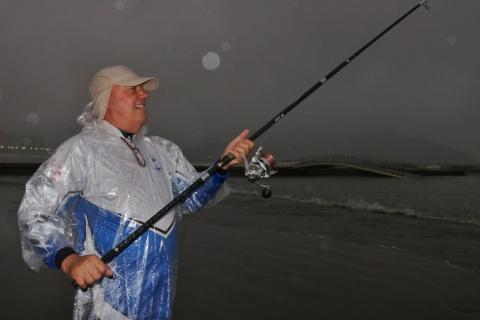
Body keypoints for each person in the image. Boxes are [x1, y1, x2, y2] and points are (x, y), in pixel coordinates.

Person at [17, 65, 254, 320]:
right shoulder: (80, 150)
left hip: (160, 304)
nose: (144, 95)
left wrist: (221, 167)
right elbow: (35, 211)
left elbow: (194, 198)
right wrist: (69, 260)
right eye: (133, 90)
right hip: (107, 307)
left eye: (142, 89)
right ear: (106, 99)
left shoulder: (163, 150)